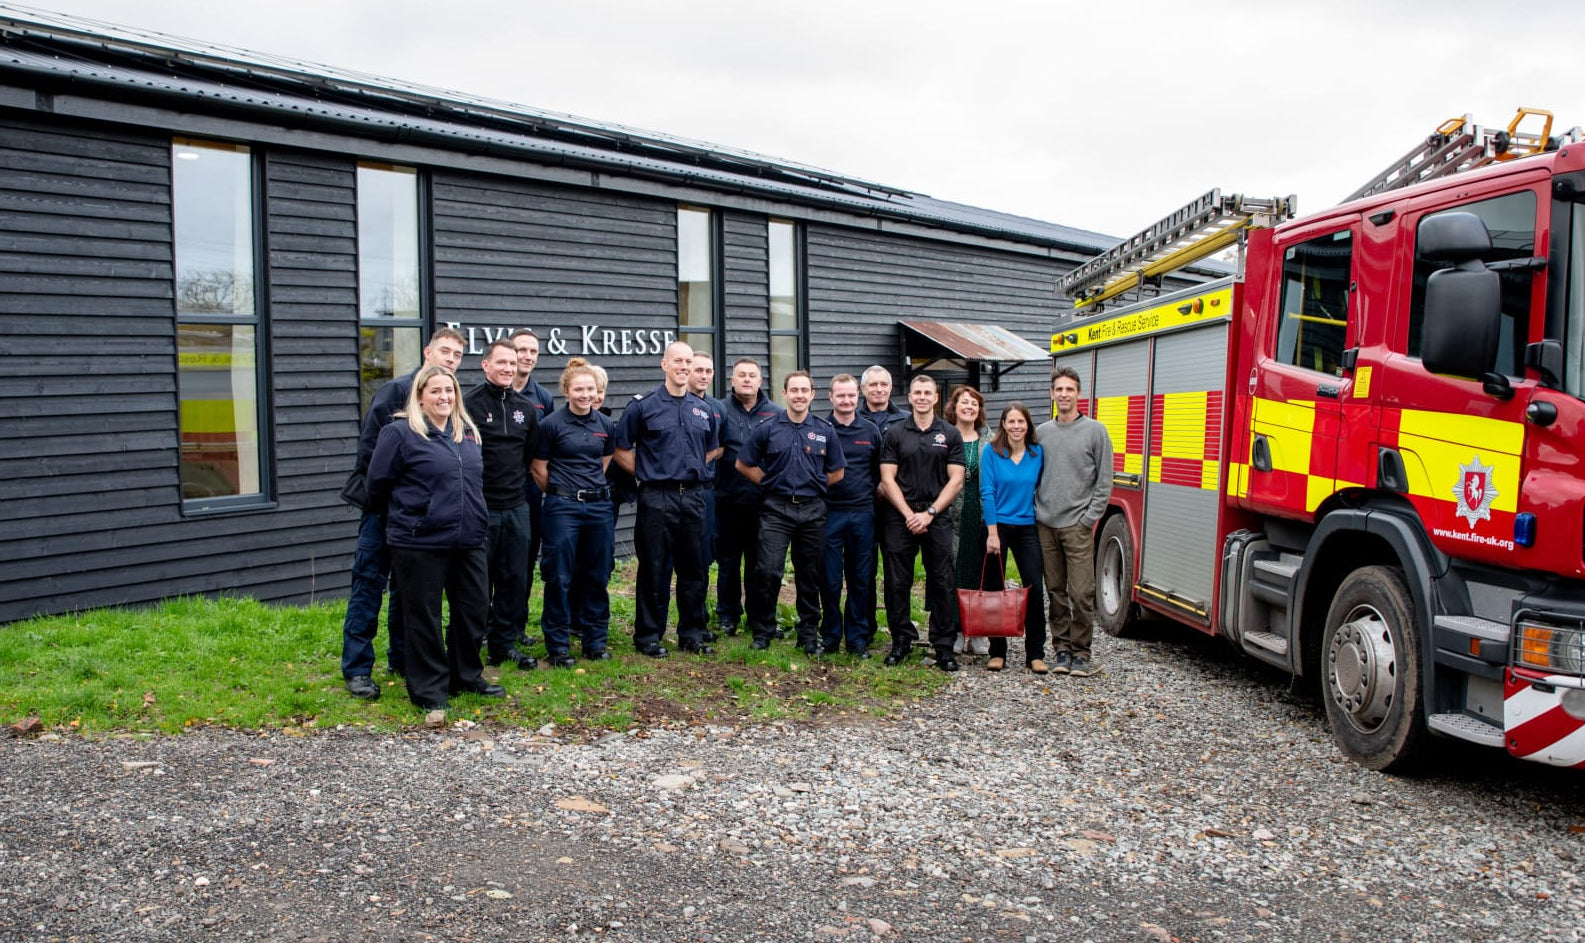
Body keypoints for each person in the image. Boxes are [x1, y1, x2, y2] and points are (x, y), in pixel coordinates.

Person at [366, 365, 504, 714]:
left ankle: (465, 676)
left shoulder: (466, 432)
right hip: (420, 542)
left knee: (473, 610)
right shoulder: (400, 433)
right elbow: (377, 485)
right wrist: (414, 515)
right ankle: (429, 688)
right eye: (436, 391)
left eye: (449, 390)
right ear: (420, 396)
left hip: (469, 539)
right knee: (423, 616)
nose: (444, 397)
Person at [339, 327, 465, 700]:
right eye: (445, 351)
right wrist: (397, 499)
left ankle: (402, 658)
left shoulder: (449, 398)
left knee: (406, 589)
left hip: (420, 518)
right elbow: (370, 457)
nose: (451, 359)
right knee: (369, 584)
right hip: (383, 510)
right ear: (428, 352)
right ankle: (357, 668)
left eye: (457, 355)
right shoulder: (395, 392)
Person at [614, 341, 722, 657]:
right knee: (654, 567)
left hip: (694, 496)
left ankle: (692, 633)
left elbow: (711, 448)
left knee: (695, 567)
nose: (684, 367)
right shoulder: (643, 406)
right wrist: (647, 471)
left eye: (688, 362)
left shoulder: (703, 409)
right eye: (678, 361)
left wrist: (691, 469)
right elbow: (620, 449)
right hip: (657, 497)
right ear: (664, 364)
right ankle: (649, 635)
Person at [736, 371, 846, 654]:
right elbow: (743, 463)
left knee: (810, 575)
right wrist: (768, 483)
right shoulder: (767, 428)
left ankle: (807, 634)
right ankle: (763, 630)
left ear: (812, 394)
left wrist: (816, 485)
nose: (799, 395)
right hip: (776, 509)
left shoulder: (824, 430)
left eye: (804, 390)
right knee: (767, 571)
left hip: (812, 510)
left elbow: (837, 471)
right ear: (784, 393)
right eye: (794, 390)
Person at [878, 374, 966, 671]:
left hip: (936, 515)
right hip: (900, 515)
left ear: (936, 397)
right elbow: (887, 479)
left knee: (942, 580)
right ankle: (901, 640)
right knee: (896, 581)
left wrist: (929, 512)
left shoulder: (950, 434)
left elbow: (956, 480)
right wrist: (908, 514)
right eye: (917, 392)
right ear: (910, 397)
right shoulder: (895, 433)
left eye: (928, 393)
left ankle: (943, 646)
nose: (922, 397)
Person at [533, 357, 617, 666]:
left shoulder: (605, 425)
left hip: (598, 508)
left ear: (597, 391)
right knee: (559, 576)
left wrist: (588, 491)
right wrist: (564, 492)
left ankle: (595, 642)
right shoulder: (550, 425)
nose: (585, 395)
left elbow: (603, 462)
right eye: (579, 389)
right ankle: (558, 647)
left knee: (597, 575)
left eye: (590, 389)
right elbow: (539, 468)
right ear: (567, 391)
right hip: (562, 509)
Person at [462, 339, 540, 672]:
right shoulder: (468, 405)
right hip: (480, 508)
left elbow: (529, 457)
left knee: (514, 579)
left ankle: (503, 645)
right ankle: (469, 646)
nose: (508, 368)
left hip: (516, 507)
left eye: (512, 363)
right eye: (501, 362)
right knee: (477, 584)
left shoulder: (526, 409)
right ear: (486, 365)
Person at [1034, 367, 1114, 677]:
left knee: (1081, 593)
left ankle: (1081, 652)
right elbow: (1031, 473)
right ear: (1052, 394)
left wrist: (1088, 519)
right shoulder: (1042, 433)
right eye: (1059, 389)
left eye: (1069, 389)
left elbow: (1104, 481)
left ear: (1079, 393)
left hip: (1077, 525)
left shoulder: (1095, 431)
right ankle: (1062, 650)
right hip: (1046, 524)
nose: (1064, 394)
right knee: (1055, 591)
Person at [712, 357, 782, 636]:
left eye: (752, 375)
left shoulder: (776, 413)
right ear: (732, 380)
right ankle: (727, 615)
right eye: (741, 375)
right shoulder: (719, 410)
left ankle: (758, 616)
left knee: (759, 564)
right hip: (726, 500)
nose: (747, 380)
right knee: (728, 562)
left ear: (760, 380)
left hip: (763, 502)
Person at [979, 402, 1048, 673]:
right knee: (995, 589)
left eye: (1021, 421)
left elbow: (1042, 488)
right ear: (1003, 424)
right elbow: (987, 492)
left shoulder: (1037, 453)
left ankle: (1035, 653)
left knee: (1034, 588)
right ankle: (997, 651)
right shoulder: (992, 451)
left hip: (1027, 527)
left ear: (1028, 425)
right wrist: (992, 533)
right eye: (1011, 421)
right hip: (997, 527)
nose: (1016, 426)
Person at [819, 374, 881, 657]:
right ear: (830, 397)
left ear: (858, 396)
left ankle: (857, 638)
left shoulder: (870, 431)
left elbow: (879, 474)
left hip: (863, 514)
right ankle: (830, 637)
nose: (846, 400)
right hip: (828, 513)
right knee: (829, 579)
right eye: (840, 395)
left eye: (851, 395)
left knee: (860, 578)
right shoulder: (820, 429)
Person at [510, 328, 554, 650]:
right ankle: (486, 624)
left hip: (529, 488)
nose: (527, 356)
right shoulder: (487, 393)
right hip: (493, 487)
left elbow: (546, 449)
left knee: (524, 559)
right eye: (521, 350)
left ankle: (517, 624)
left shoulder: (543, 398)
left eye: (533, 351)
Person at [857, 364, 906, 650]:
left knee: (895, 572)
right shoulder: (850, 417)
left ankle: (899, 630)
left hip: (894, 508)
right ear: (863, 389)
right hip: (861, 505)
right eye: (872, 385)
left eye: (883, 384)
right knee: (863, 571)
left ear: (890, 388)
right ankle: (865, 628)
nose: (878, 389)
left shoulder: (904, 420)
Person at [946, 385, 991, 658]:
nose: (969, 407)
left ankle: (978, 631)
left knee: (979, 573)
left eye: (974, 403)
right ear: (954, 407)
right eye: (964, 402)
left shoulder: (991, 440)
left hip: (980, 514)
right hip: (951, 513)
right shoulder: (944, 437)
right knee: (953, 572)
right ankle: (955, 630)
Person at [688, 352, 726, 640]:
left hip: (705, 490)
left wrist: (697, 461)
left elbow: (722, 446)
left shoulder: (717, 408)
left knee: (702, 558)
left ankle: (699, 620)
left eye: (708, 371)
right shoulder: (675, 403)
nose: (703, 375)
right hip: (674, 491)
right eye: (698, 369)